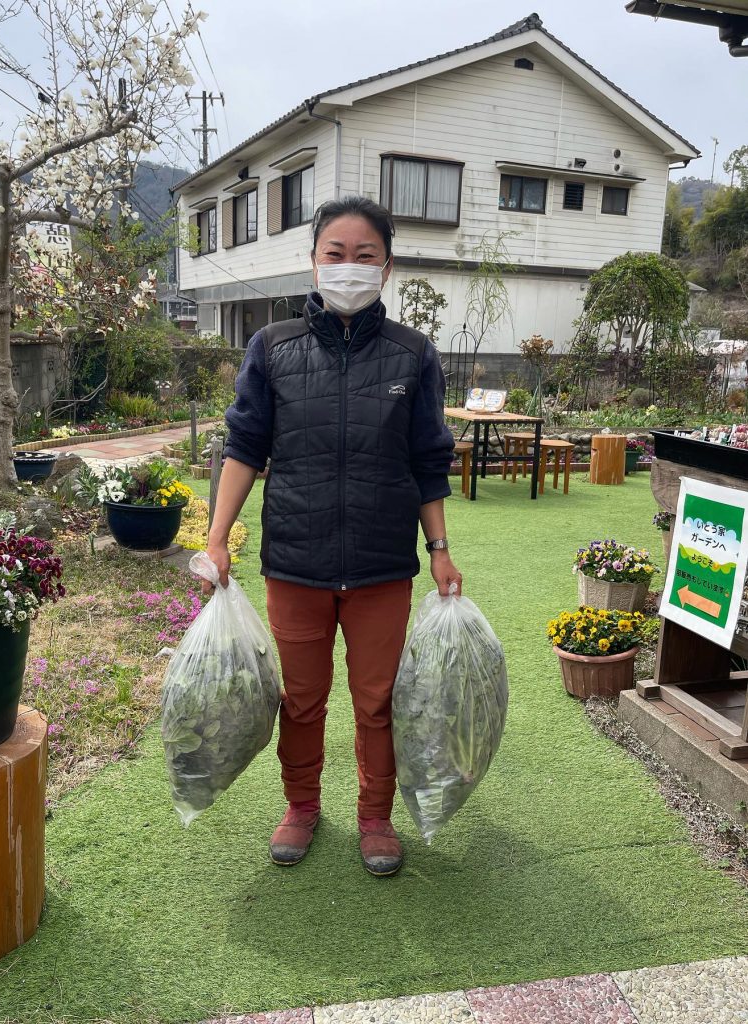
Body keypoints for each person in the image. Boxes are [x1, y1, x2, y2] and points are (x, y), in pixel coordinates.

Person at [204, 195, 461, 876]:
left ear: (387, 265)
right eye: (335, 255)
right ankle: (301, 806)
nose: (349, 268)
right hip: (296, 560)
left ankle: (374, 817)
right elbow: (243, 447)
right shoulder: (272, 348)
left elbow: (428, 460)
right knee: (301, 699)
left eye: (364, 256)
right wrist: (216, 536)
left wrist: (438, 549)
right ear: (314, 262)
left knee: (377, 702)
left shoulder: (412, 355)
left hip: (381, 566)